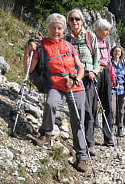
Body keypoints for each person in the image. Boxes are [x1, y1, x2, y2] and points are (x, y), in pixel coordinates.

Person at [24, 13, 88, 172]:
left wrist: (75, 80)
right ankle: (45, 134)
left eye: (59, 28)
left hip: (75, 86)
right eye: (53, 28)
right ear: (48, 28)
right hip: (56, 84)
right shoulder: (41, 45)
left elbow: (80, 68)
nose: (56, 31)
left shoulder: (69, 45)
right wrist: (27, 52)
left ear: (63, 29)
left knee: (78, 119)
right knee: (51, 104)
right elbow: (28, 69)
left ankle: (82, 156)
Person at [65, 9, 100, 156]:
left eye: (77, 19)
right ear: (68, 22)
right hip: (74, 79)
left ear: (82, 21)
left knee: (88, 111)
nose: (75, 22)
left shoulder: (89, 36)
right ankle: (80, 142)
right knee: (78, 111)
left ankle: (89, 143)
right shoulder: (67, 39)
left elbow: (96, 57)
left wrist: (94, 71)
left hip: (88, 78)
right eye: (72, 19)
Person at [94, 18, 116, 146]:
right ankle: (89, 137)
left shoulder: (107, 44)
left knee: (107, 104)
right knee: (92, 105)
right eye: (105, 30)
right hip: (95, 72)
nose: (107, 33)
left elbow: (109, 62)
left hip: (106, 73)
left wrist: (112, 77)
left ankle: (108, 137)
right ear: (98, 30)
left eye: (108, 30)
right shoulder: (91, 42)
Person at [110, 46, 125, 137]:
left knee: (121, 110)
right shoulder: (109, 63)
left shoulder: (124, 63)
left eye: (119, 51)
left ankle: (119, 127)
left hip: (122, 89)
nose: (117, 53)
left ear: (121, 53)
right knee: (112, 109)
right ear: (112, 52)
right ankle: (111, 127)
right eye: (115, 51)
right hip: (112, 89)